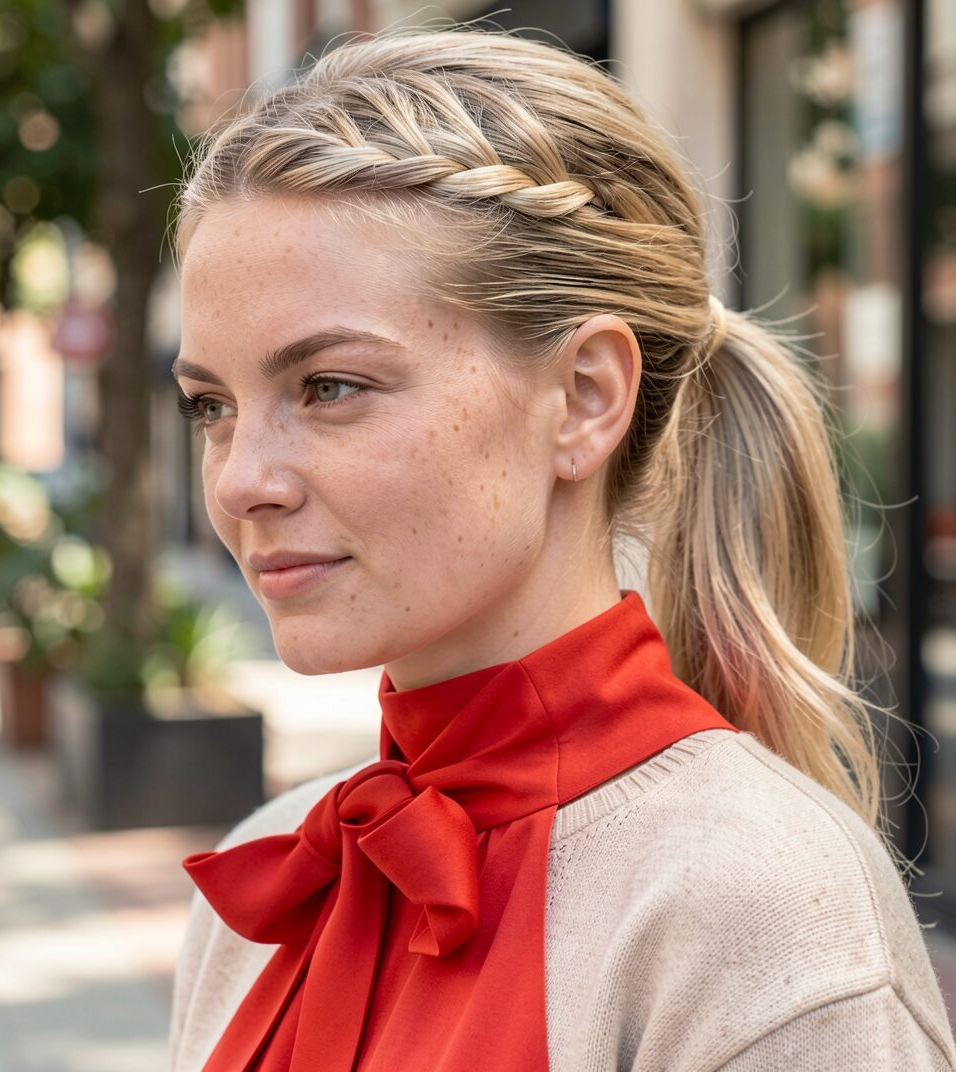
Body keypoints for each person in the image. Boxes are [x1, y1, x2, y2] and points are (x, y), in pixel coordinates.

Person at [168, 28, 956, 1072]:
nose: (240, 479)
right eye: (213, 406)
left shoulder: (760, 916)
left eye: (331, 387)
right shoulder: (272, 875)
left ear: (584, 398)